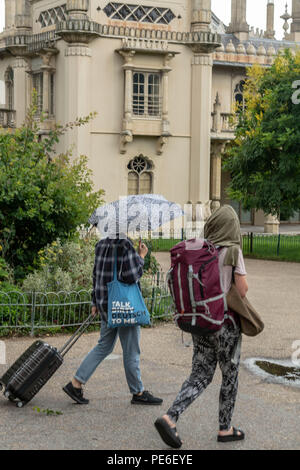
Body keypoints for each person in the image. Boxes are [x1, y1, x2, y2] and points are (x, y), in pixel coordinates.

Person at [154, 205, 248, 448]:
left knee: (200, 374)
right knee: (230, 375)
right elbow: (243, 289)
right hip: (225, 323)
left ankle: (170, 416)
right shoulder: (232, 251)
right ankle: (225, 429)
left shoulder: (203, 251)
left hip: (201, 320)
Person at [63, 235, 163, 406]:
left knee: (104, 346)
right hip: (124, 307)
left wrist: (94, 301)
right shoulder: (125, 245)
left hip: (106, 304)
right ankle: (138, 392)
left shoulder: (101, 244)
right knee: (131, 351)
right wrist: (141, 256)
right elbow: (131, 276)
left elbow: (96, 275)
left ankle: (76, 383)